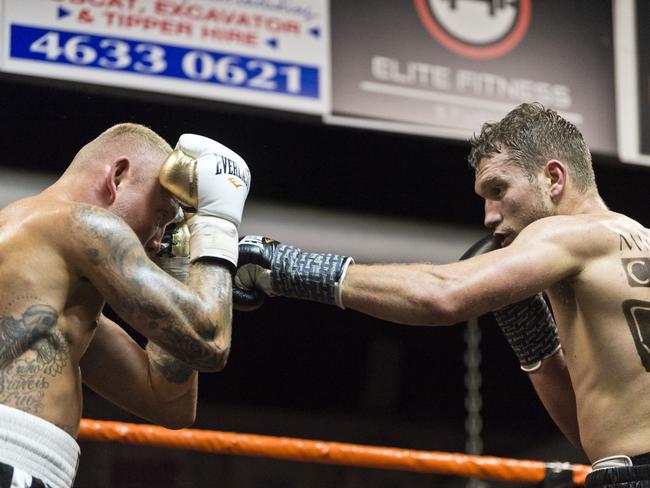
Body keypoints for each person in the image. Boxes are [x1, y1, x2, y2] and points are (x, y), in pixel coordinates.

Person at [234, 102, 650, 488]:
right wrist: (531, 335)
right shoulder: (635, 241)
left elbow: (441, 296)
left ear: (553, 177)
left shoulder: (563, 234)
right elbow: (595, 431)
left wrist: (284, 269)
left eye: (498, 189)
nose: (488, 216)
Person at [0, 124, 250, 488]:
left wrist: (179, 262)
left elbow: (168, 402)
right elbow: (208, 338)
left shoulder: (50, 299)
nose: (157, 243)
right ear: (117, 176)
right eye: (161, 217)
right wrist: (217, 225)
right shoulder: (78, 222)